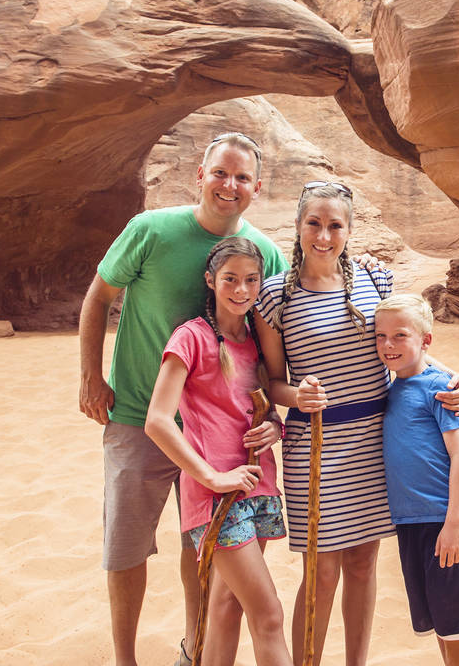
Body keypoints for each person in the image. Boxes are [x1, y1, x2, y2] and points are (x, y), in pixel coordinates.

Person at [78, 132, 287, 666]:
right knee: (126, 547)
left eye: (242, 177)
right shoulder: (150, 230)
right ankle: (125, 658)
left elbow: (270, 349)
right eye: (220, 172)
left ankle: (194, 653)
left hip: (216, 435)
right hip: (138, 416)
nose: (229, 185)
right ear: (201, 174)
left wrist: (276, 412)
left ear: (256, 187)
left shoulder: (264, 255)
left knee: (203, 546)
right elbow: (99, 297)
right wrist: (91, 377)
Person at [253, 181, 459, 665]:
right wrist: (296, 396)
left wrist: (452, 377)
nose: (323, 236)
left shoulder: (376, 283)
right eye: (314, 223)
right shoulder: (274, 296)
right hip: (317, 444)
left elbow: (408, 347)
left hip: (375, 441)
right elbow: (271, 381)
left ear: (349, 230)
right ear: (299, 225)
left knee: (364, 564)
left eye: (334, 226)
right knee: (321, 571)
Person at [145, 238, 290, 666]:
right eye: (230, 279)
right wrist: (211, 477)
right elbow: (157, 420)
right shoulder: (190, 337)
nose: (241, 290)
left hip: (258, 486)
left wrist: (273, 428)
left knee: (228, 607)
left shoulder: (257, 343)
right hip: (217, 498)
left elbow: (263, 409)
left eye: (250, 280)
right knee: (269, 616)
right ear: (211, 281)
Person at [374, 294, 459, 666]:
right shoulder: (392, 390)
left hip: (447, 521)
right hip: (412, 525)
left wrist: (454, 523)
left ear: (425, 340)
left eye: (399, 335)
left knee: (458, 627)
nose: (388, 345)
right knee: (441, 623)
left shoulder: (440, 390)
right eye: (380, 336)